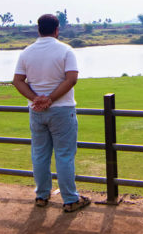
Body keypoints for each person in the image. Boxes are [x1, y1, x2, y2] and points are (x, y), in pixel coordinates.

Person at [12, 14, 90, 212]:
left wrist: (35, 99)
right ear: (57, 30)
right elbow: (71, 79)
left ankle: (41, 196)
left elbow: (18, 80)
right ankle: (70, 200)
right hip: (62, 110)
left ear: (38, 30)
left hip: (36, 111)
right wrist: (50, 99)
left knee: (39, 154)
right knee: (64, 156)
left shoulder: (26, 53)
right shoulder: (65, 51)